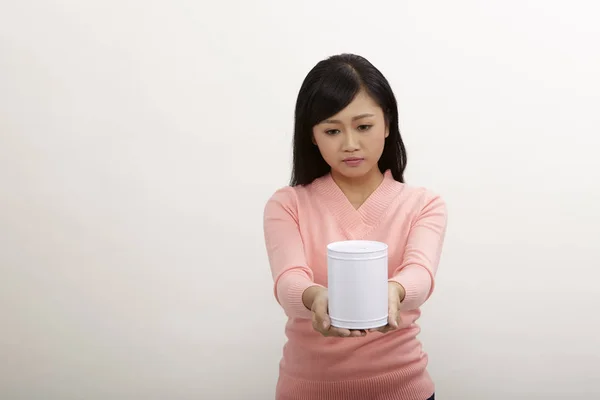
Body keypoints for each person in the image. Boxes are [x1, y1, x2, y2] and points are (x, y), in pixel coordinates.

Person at [262, 53, 448, 400]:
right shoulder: (287, 205)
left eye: (363, 126)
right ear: (313, 136)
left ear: (388, 124)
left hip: (403, 388)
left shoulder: (423, 204)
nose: (349, 143)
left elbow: (420, 275)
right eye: (332, 130)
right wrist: (315, 297)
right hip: (308, 390)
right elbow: (289, 281)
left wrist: (394, 291)